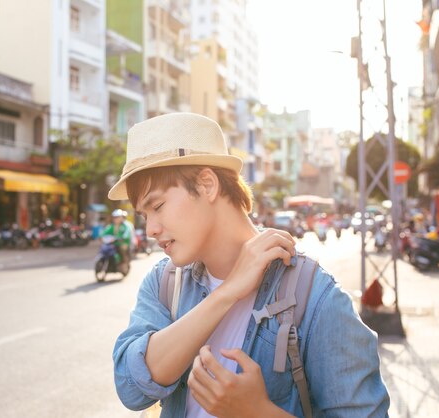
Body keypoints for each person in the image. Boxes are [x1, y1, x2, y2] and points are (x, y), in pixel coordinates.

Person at [110, 113, 389, 417]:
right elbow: (131, 389)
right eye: (143, 215)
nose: (149, 229)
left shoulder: (317, 298)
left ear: (207, 185)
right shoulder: (165, 283)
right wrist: (227, 292)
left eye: (158, 206)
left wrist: (258, 412)